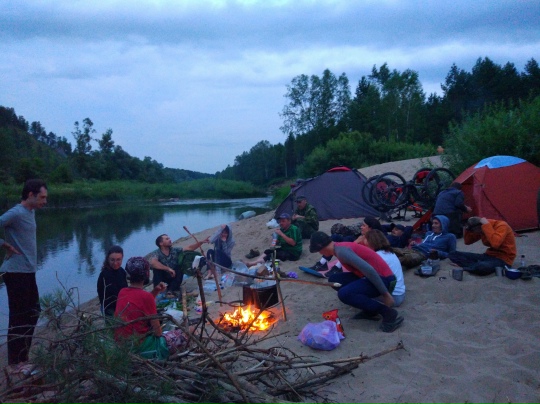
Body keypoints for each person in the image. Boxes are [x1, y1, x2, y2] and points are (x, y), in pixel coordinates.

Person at [309, 231, 403, 333]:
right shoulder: (338, 248)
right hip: (370, 276)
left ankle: (388, 313)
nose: (320, 253)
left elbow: (369, 270)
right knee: (334, 280)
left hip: (383, 278)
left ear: (322, 248)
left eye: (319, 251)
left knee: (344, 294)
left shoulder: (342, 252)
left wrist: (386, 294)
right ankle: (370, 309)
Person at [0, 179, 48, 367]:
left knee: (34, 312)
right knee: (19, 317)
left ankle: (23, 357)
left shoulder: (30, 211)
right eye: (42, 197)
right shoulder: (16, 212)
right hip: (15, 272)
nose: (45, 201)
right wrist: (4, 244)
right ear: (30, 195)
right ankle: (15, 362)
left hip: (27, 271)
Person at [114, 257, 188, 358]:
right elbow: (158, 333)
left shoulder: (122, 292)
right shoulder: (146, 297)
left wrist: (156, 291)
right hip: (141, 347)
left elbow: (140, 301)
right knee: (188, 332)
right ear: (146, 274)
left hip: (123, 346)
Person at [308, 216, 383, 277]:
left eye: (364, 226)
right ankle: (322, 263)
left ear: (370, 228)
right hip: (355, 240)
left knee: (347, 242)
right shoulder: (362, 235)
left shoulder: (373, 239)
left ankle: (338, 267)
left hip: (359, 257)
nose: (361, 227)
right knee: (335, 237)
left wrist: (357, 241)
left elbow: (356, 251)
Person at [448, 216, 517, 276]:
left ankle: (470, 266)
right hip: (489, 256)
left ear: (480, 226)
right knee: (453, 254)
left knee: (482, 266)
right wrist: (467, 229)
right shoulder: (480, 229)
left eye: (475, 230)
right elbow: (467, 241)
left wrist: (486, 225)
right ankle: (473, 265)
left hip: (503, 259)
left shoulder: (501, 226)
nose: (477, 233)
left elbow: (495, 243)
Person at [392, 215, 456, 269]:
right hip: (412, 249)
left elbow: (452, 254)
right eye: (433, 223)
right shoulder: (429, 233)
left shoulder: (450, 236)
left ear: (443, 225)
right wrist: (415, 244)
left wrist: (438, 252)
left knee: (400, 259)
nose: (433, 225)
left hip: (422, 254)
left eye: (436, 223)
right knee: (389, 251)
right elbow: (424, 244)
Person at [364, 229, 405, 307]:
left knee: (356, 292)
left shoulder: (377, 256)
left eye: (365, 239)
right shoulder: (389, 252)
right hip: (400, 293)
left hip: (393, 297)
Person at [97, 245, 128, 316]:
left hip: (122, 306)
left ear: (122, 258)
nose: (115, 263)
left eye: (118, 260)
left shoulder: (122, 271)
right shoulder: (104, 275)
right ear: (108, 259)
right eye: (112, 260)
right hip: (110, 309)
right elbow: (102, 296)